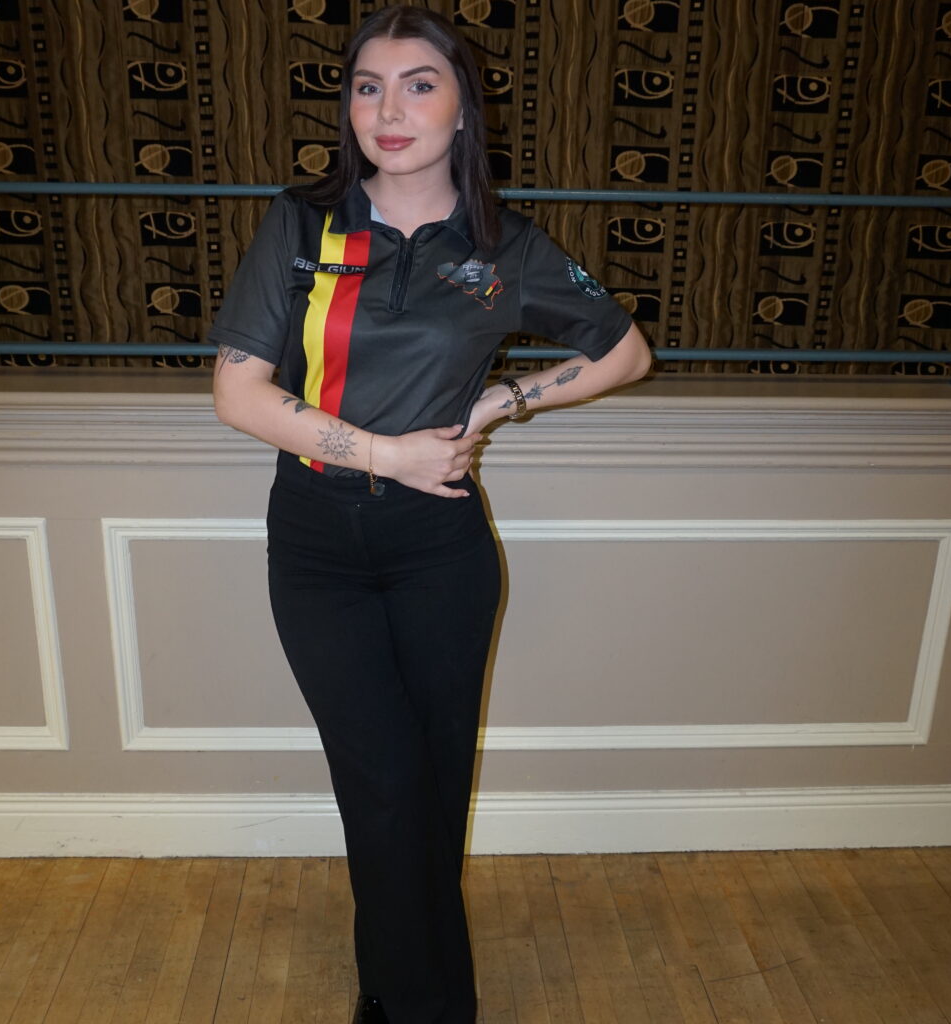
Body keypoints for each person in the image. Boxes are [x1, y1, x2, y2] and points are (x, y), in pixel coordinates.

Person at [210, 6, 652, 1021]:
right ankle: (424, 1003)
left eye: (418, 85)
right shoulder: (303, 223)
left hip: (438, 551)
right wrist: (386, 454)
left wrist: (502, 401)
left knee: (434, 785)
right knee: (381, 781)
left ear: (462, 109)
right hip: (317, 543)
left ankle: (401, 995)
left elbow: (624, 352)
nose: (388, 110)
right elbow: (238, 393)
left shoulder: (505, 248)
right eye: (367, 87)